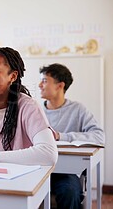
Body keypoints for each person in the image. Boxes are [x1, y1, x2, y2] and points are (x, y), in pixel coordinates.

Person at [39, 63, 105, 209]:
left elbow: (99, 136)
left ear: (60, 86)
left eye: (44, 81)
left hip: (65, 171)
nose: (39, 85)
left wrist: (61, 136)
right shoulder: (35, 110)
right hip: (38, 169)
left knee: (70, 190)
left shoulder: (78, 109)